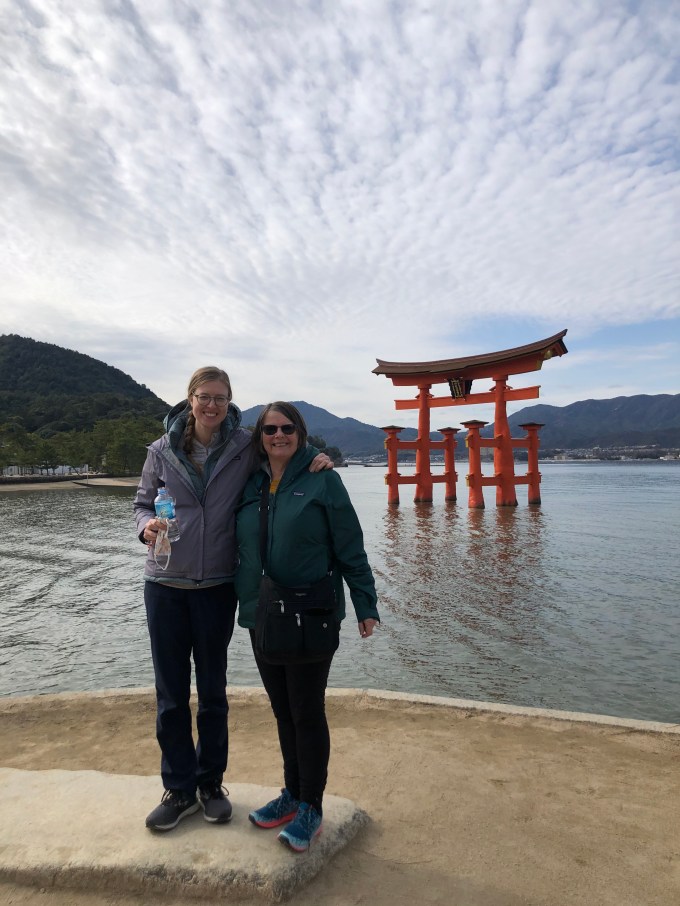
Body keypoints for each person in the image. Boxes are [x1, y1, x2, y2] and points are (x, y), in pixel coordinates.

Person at [134, 368, 332, 833]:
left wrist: (317, 457)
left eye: (220, 398)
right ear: (190, 399)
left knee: (213, 692)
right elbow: (141, 504)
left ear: (229, 402)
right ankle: (178, 789)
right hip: (165, 584)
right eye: (205, 397)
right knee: (170, 694)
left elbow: (282, 452)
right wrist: (146, 527)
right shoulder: (160, 451)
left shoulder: (244, 445)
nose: (212, 406)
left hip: (217, 586)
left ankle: (210, 785)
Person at [235, 401, 380, 853]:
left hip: (310, 614)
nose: (278, 435)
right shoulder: (251, 481)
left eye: (287, 428)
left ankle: (311, 805)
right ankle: (292, 793)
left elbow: (350, 545)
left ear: (300, 433)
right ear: (259, 436)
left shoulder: (323, 480)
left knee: (306, 710)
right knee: (282, 710)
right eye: (270, 429)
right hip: (262, 612)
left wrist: (365, 603)